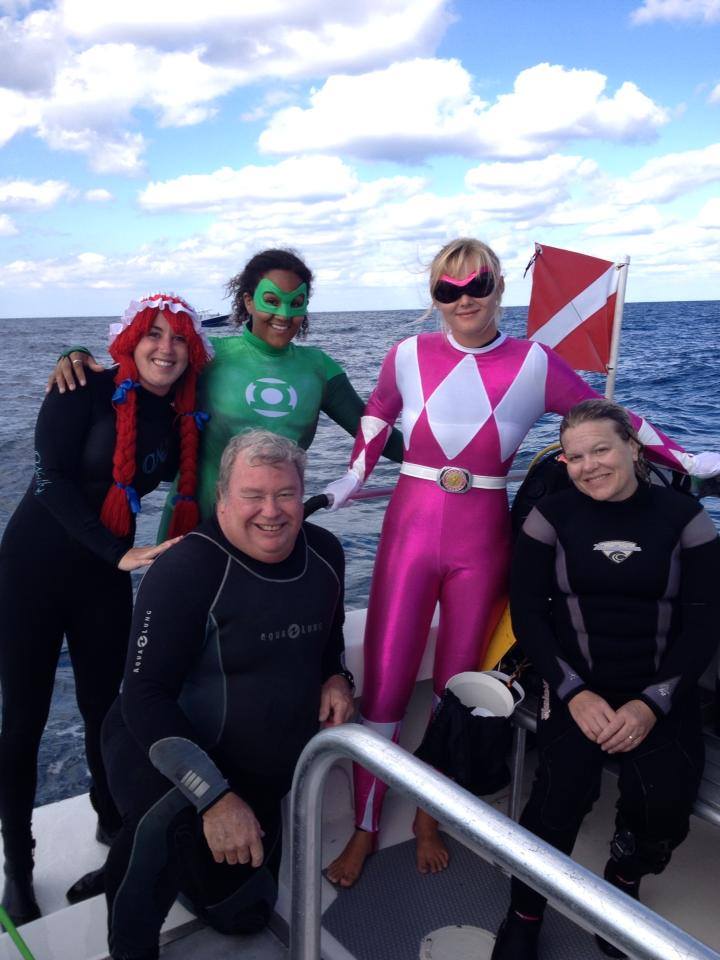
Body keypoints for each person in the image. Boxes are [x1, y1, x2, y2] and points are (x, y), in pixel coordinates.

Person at [323, 237, 720, 888]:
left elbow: (615, 421)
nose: (463, 300)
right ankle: (366, 828)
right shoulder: (406, 355)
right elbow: (375, 419)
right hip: (408, 536)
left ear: (499, 286)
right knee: (387, 687)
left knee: (457, 692)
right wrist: (348, 482)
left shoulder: (534, 363)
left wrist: (691, 459)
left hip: (480, 543)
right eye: (447, 290)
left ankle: (428, 817)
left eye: (476, 285)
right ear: (435, 297)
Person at [98, 430, 354, 960]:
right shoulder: (187, 569)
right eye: (252, 495)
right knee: (157, 831)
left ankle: (195, 866)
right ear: (222, 499)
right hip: (168, 752)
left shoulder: (325, 554)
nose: (271, 512)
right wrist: (214, 798)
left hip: (258, 769)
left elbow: (329, 638)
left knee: (245, 918)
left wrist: (337, 677)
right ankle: (130, 941)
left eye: (285, 494)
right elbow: (143, 696)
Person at [0, 294, 213, 925]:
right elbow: (48, 481)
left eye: (179, 338)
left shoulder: (178, 415)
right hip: (32, 570)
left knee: (106, 710)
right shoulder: (82, 387)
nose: (166, 348)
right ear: (129, 339)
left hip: (104, 574)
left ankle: (110, 820)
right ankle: (19, 866)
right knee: (24, 721)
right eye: (153, 334)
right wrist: (119, 553)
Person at [491, 399, 720, 960]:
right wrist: (573, 691)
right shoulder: (551, 518)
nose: (588, 465)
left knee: (664, 801)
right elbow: (529, 615)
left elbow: (705, 621)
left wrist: (652, 703)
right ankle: (524, 912)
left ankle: (623, 879)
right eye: (574, 457)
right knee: (557, 797)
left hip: (661, 687)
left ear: (633, 449)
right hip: (575, 684)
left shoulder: (685, 519)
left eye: (601, 450)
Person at [48, 248, 403, 532]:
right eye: (271, 300)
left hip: (271, 525)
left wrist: (434, 455)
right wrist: (75, 355)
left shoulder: (320, 368)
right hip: (194, 523)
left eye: (296, 303)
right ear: (248, 301)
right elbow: (136, 373)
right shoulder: (209, 356)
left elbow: (376, 436)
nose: (284, 314)